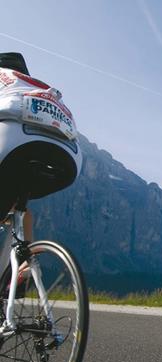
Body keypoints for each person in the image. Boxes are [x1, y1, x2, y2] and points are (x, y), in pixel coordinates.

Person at [0, 52, 82, 321]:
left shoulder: (3, 80)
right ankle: (23, 264)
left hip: (13, 139)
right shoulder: (36, 85)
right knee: (19, 207)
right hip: (69, 156)